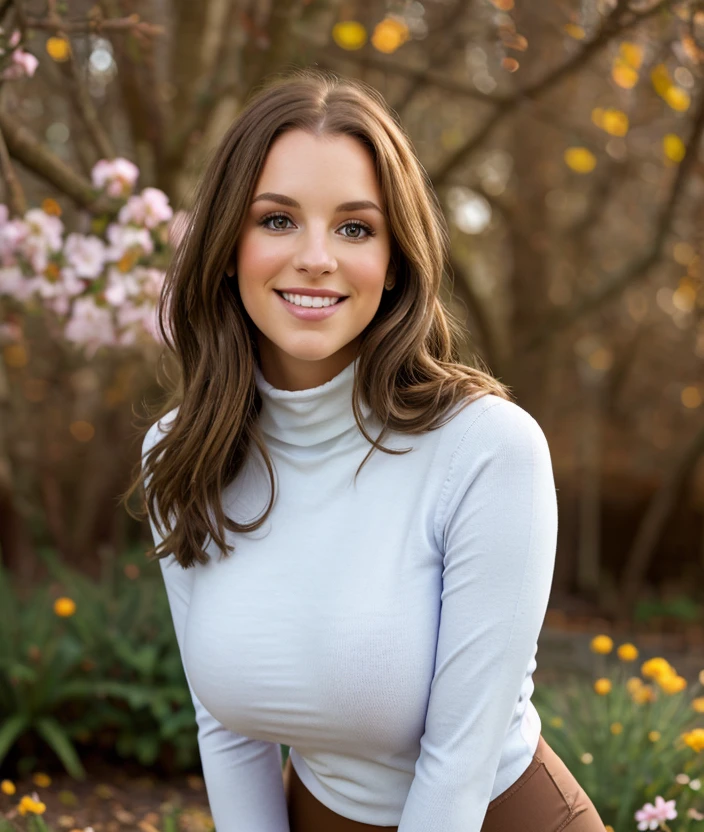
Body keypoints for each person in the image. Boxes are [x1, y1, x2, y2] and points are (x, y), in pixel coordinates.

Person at [131, 68, 605, 831]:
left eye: (355, 228)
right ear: (226, 245)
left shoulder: (486, 449)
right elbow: (226, 729)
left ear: (393, 266)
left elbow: (459, 755)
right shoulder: (180, 456)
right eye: (277, 220)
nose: (316, 257)